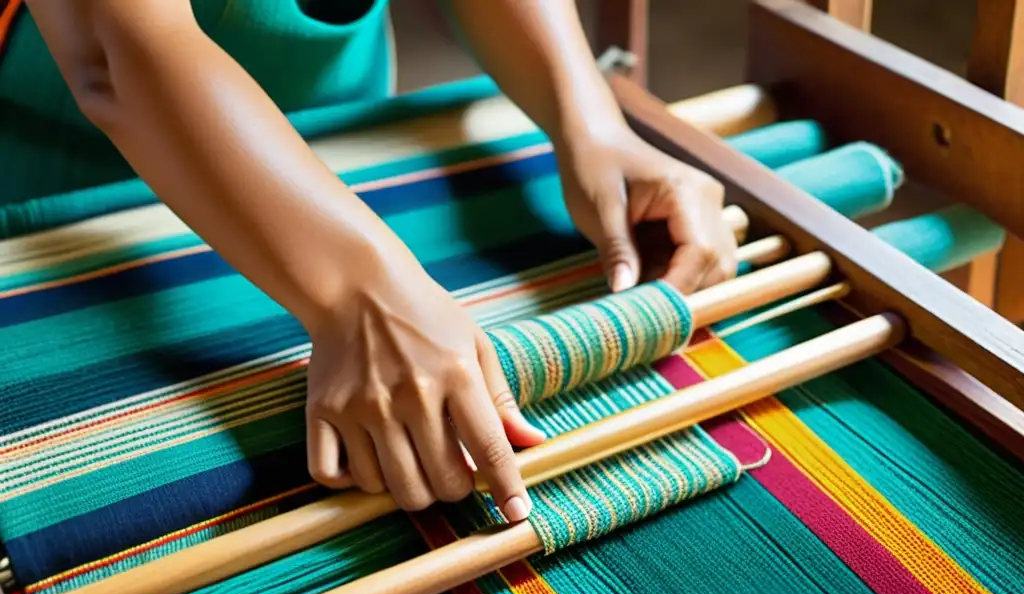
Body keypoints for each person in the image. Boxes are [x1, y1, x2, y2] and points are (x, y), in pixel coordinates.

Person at [13, 0, 737, 523]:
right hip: (57, 218)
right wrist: (359, 288)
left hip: (341, 156)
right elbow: (115, 46)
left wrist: (588, 121)